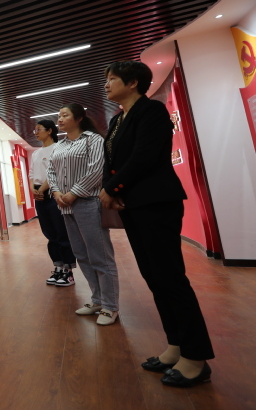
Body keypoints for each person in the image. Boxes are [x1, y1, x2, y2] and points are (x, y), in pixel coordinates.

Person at [101, 60, 214, 387]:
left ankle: (196, 358)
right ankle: (175, 345)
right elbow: (113, 161)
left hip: (156, 203)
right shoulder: (117, 119)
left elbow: (144, 157)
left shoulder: (152, 111)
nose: (106, 84)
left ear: (133, 82)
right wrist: (113, 189)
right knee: (154, 277)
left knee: (170, 278)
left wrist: (113, 189)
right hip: (133, 204)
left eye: (112, 79)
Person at [47, 103, 120, 325]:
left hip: (88, 203)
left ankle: (110, 306)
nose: (60, 119)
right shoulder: (59, 146)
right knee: (81, 254)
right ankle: (97, 299)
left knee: (100, 255)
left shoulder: (92, 140)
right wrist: (56, 191)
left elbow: (96, 170)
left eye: (65, 115)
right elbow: (51, 171)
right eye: (59, 115)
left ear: (79, 118)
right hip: (65, 205)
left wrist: (73, 193)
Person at [29, 119, 76, 286]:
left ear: (49, 131)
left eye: (39, 129)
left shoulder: (58, 148)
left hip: (53, 194)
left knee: (62, 232)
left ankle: (68, 272)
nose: (36, 132)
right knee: (50, 234)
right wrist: (33, 190)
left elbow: (55, 172)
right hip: (40, 196)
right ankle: (58, 267)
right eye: (35, 130)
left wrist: (41, 190)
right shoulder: (35, 153)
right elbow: (32, 174)